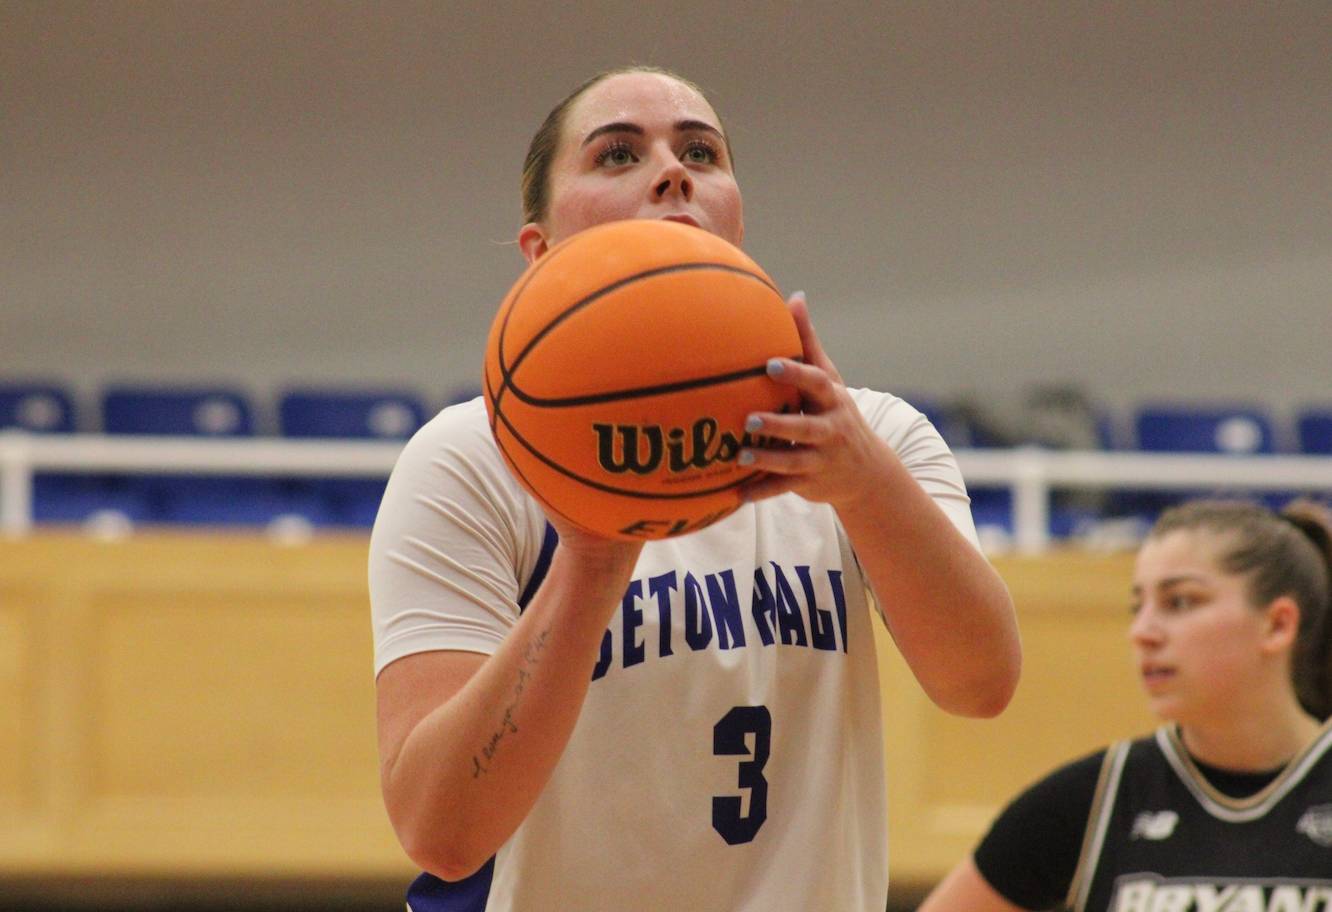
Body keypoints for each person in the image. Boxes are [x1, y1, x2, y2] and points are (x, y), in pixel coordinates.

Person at [370, 65, 1021, 912]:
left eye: (701, 151)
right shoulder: (467, 459)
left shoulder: (874, 439)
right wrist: (594, 562)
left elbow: (981, 687)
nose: (673, 170)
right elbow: (441, 833)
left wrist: (864, 488)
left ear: (736, 218)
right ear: (540, 254)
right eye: (616, 155)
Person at [917, 498, 1332, 912]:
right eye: (1138, 607)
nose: (1142, 632)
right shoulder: (1096, 795)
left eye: (1180, 602)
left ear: (1277, 624)